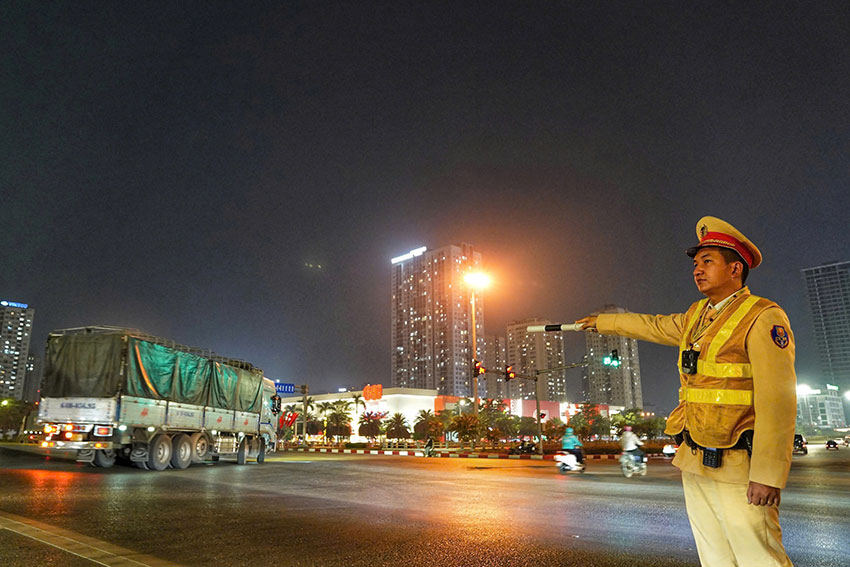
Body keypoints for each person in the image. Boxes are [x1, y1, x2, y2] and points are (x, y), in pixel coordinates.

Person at [576, 216, 796, 567]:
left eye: (708, 262)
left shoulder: (763, 316)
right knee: (714, 555)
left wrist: (767, 475)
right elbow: (653, 325)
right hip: (696, 458)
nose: (698, 270)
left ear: (735, 268)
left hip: (740, 463)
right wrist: (603, 321)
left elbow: (778, 399)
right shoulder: (696, 316)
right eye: (696, 264)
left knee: (757, 555)